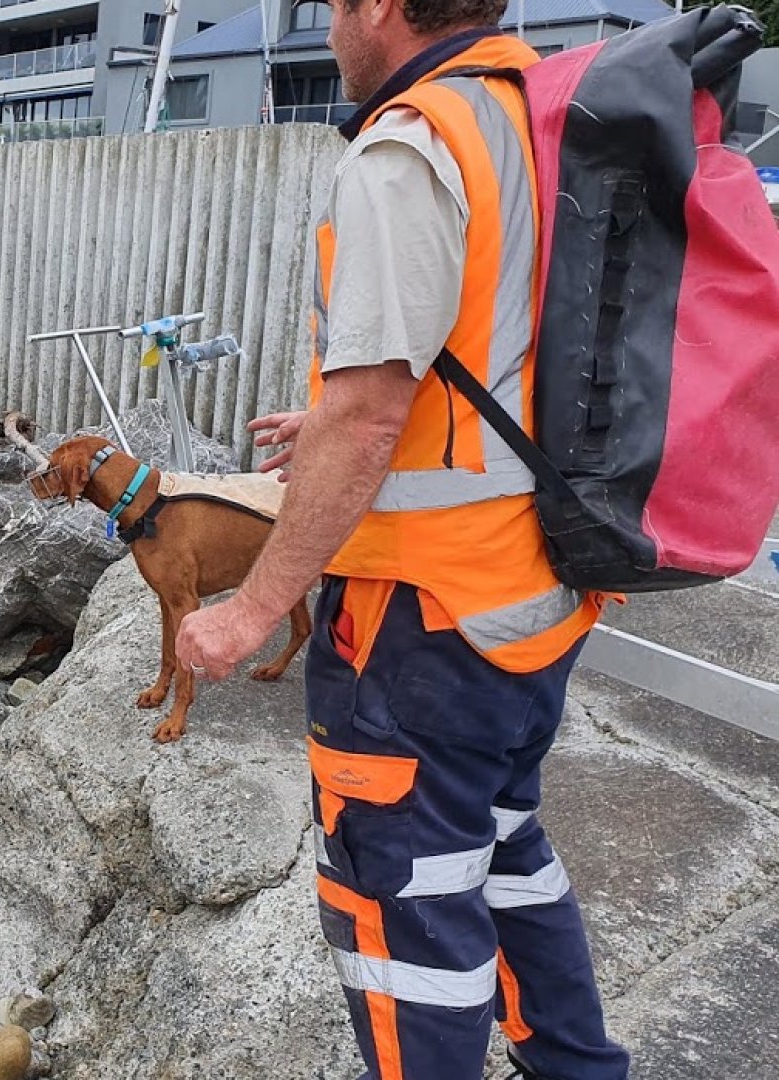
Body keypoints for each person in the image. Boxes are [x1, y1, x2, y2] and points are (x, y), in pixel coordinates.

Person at [173, 0, 632, 1077]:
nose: (331, 25)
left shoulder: (411, 140)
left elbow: (376, 409)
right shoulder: (534, 110)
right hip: (537, 592)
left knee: (402, 916)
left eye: (333, 5)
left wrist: (251, 606)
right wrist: (329, 424)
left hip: (423, 625)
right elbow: (493, 348)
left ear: (379, 7)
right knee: (507, 852)